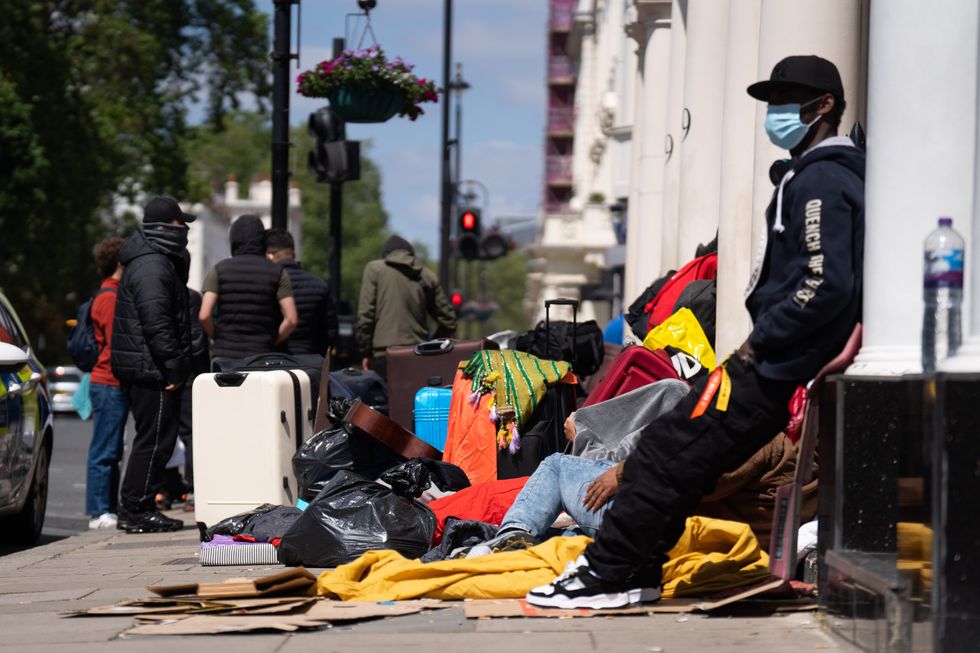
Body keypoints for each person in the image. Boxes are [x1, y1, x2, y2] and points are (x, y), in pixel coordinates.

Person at [527, 55, 865, 609]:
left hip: (778, 363)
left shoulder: (823, 178)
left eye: (788, 100)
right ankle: (629, 572)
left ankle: (612, 574)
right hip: (783, 360)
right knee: (675, 448)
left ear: (824, 106)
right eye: (771, 102)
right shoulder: (820, 175)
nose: (776, 113)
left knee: (669, 449)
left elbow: (824, 282)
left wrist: (761, 342)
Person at [111, 196, 195, 533]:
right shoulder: (152, 265)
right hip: (151, 368)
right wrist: (173, 368)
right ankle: (136, 509)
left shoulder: (153, 261)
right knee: (155, 438)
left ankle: (136, 506)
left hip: (149, 364)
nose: (185, 230)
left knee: (155, 436)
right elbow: (156, 321)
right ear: (165, 227)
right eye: (180, 224)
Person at [356, 235, 457, 380]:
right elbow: (449, 320)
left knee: (386, 400)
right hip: (418, 354)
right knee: (414, 400)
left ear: (386, 255)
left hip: (384, 354)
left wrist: (365, 352)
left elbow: (366, 315)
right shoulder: (426, 275)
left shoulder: (374, 270)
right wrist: (432, 345)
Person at [199, 215, 298, 361]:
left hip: (225, 356)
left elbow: (204, 315)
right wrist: (272, 341)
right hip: (261, 356)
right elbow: (291, 319)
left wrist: (219, 337)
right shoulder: (278, 272)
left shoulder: (219, 270)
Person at [85, 237, 127, 530]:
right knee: (105, 449)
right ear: (120, 264)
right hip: (109, 381)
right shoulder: (110, 298)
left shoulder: (107, 295)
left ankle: (107, 507)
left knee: (111, 448)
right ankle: (99, 511)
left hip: (108, 382)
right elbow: (116, 344)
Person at [265, 228, 338, 357]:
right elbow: (330, 333)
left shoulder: (266, 284)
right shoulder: (319, 285)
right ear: (293, 254)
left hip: (272, 362)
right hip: (309, 364)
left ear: (268, 255)